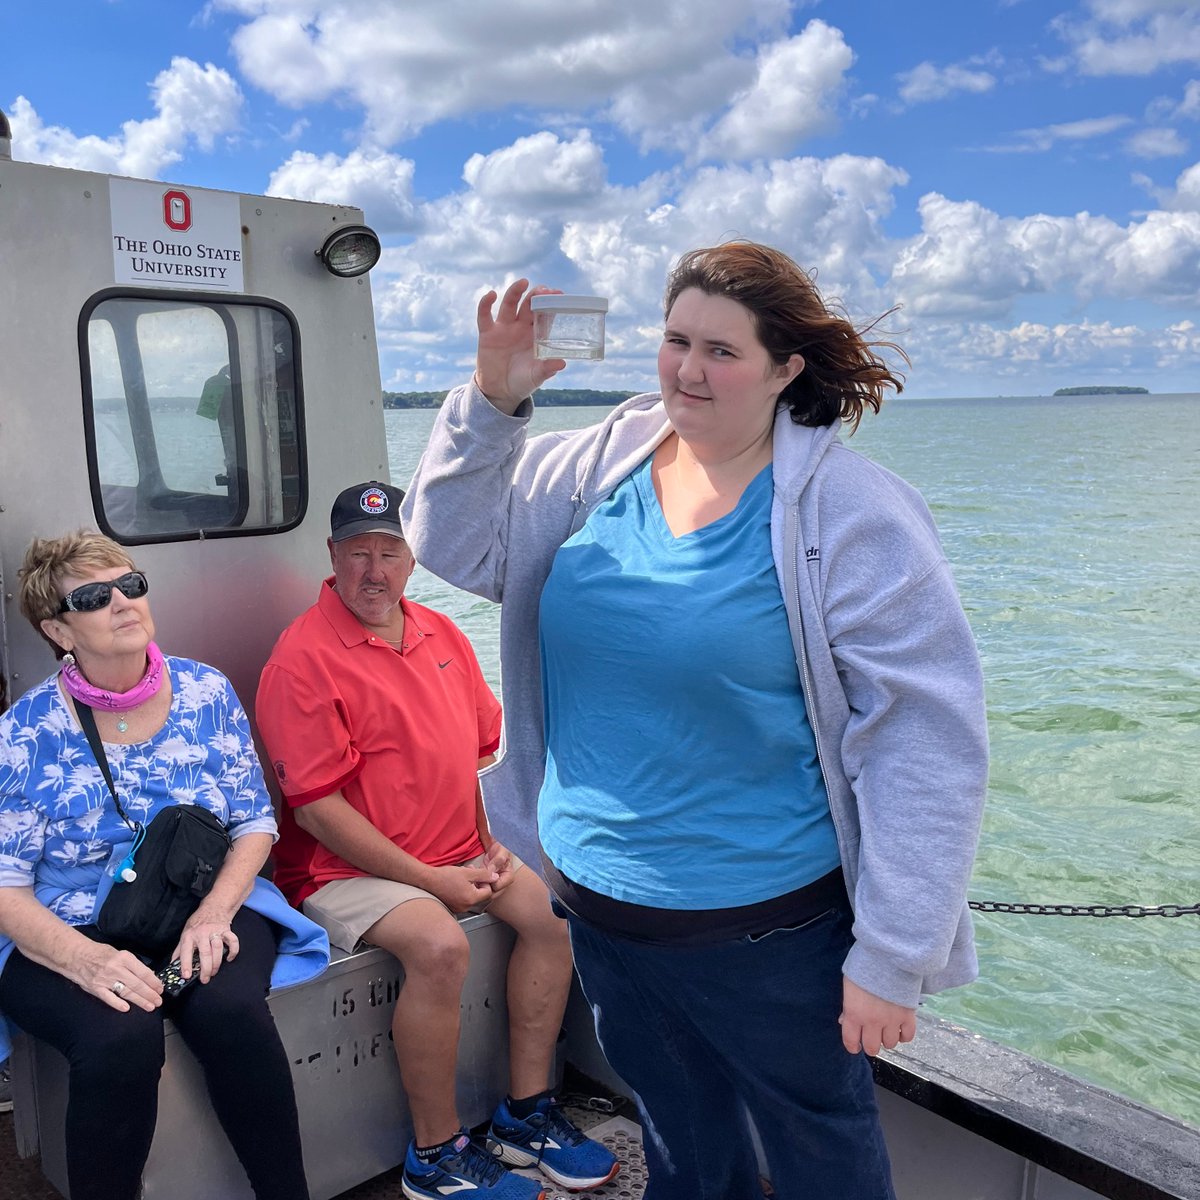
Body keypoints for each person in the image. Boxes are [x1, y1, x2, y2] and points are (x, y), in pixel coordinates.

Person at [401, 242, 990, 1200]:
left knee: (819, 1163)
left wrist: (892, 955)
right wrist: (493, 402)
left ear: (786, 367)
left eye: (723, 350)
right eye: (676, 340)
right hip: (600, 913)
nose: (688, 369)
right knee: (677, 1139)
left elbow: (925, 743)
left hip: (770, 937)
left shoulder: (851, 514)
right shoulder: (589, 467)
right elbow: (456, 546)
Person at [255, 481, 618, 1200]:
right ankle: (436, 1155)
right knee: (441, 946)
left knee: (555, 919)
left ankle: (525, 1115)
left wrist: (493, 840)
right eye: (358, 552)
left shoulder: (442, 634)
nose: (374, 570)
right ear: (331, 556)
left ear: (412, 558)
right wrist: (431, 879)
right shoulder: (301, 659)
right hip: (344, 871)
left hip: (455, 852)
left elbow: (478, 755)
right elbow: (319, 813)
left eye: (389, 551)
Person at [0, 530, 329, 1200]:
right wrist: (85, 960)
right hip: (71, 923)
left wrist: (212, 916)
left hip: (199, 900)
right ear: (59, 630)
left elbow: (254, 821)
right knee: (122, 1034)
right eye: (95, 596)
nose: (123, 602)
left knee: (230, 1011)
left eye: (132, 585)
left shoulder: (206, 691)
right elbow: (5, 882)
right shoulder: (25, 733)